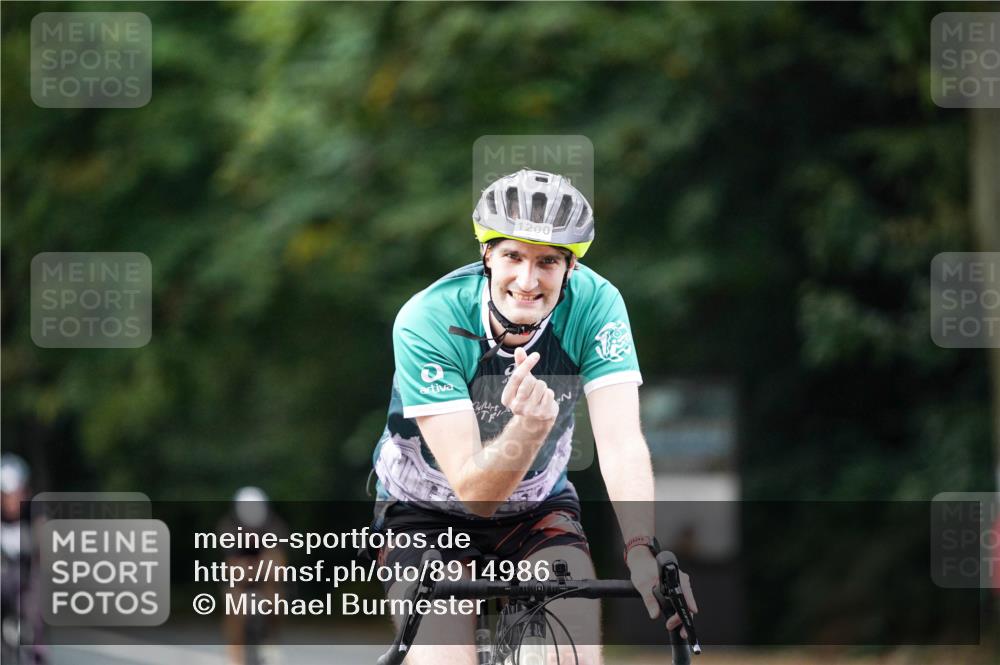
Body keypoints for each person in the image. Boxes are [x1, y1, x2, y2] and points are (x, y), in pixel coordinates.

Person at [368, 169, 697, 664]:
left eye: (547, 262)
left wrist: (639, 548)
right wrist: (531, 426)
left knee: (573, 648)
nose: (527, 280)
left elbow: (622, 441)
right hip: (427, 510)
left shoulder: (597, 307)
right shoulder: (429, 320)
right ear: (487, 256)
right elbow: (475, 494)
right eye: (513, 257)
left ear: (570, 268)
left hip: (535, 505)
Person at [217, 486, 288, 665]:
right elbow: (232, 568)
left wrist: (258, 568)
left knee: (276, 599)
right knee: (234, 603)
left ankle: (271, 641)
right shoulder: (228, 526)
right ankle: (235, 652)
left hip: (266, 581)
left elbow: (278, 564)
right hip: (239, 582)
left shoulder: (274, 525)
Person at [1, 454, 46, 665]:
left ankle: (35, 653)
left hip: (26, 585)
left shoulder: (34, 516)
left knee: (33, 607)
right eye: (8, 494)